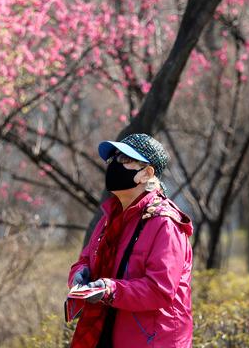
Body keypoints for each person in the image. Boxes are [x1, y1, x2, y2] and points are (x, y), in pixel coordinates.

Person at [67, 133, 193, 348]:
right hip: (108, 331)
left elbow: (159, 290)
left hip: (153, 340)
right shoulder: (110, 218)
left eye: (124, 160)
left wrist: (110, 289)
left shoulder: (164, 223)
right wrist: (80, 275)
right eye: (113, 159)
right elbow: (85, 259)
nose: (114, 165)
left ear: (147, 173)